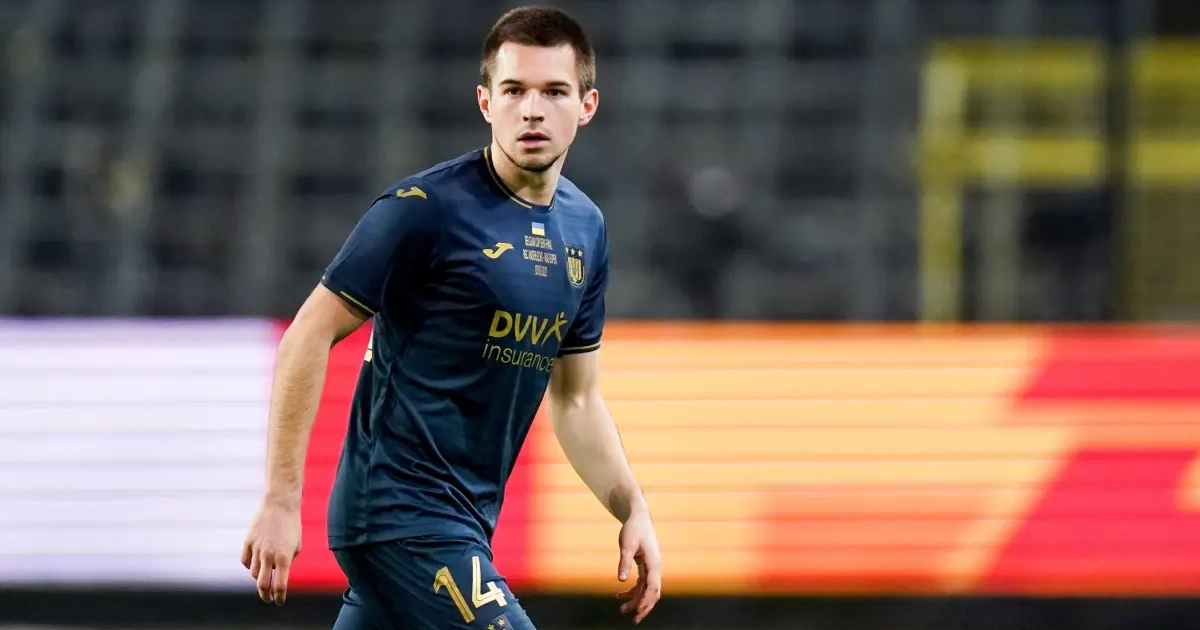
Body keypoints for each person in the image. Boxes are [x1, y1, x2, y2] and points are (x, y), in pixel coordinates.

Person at [239, 6, 662, 630]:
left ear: (587, 105)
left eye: (554, 91)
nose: (533, 110)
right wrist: (280, 499)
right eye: (514, 90)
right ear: (486, 102)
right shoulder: (424, 209)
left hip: (465, 521)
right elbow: (307, 334)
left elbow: (575, 400)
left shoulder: (585, 229)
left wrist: (631, 507)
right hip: (402, 516)